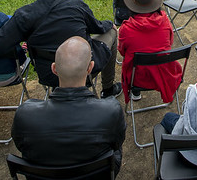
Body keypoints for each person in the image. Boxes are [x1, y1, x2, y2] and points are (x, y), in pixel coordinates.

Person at [11, 37, 126, 175]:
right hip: (98, 174)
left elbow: (21, 146)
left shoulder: (24, 114)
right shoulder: (111, 110)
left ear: (54, 69)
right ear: (90, 68)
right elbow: (116, 142)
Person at [118, 0, 181, 103]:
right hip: (164, 73)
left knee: (132, 60)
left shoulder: (126, 29)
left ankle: (136, 93)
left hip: (137, 78)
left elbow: (122, 51)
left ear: (132, 4)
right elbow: (169, 42)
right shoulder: (165, 21)